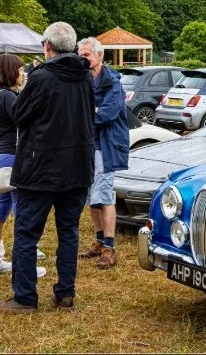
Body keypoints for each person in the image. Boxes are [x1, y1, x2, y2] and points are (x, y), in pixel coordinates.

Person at [0, 22, 95, 313]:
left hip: (41, 168)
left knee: (26, 233)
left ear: (47, 46)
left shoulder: (42, 78)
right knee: (68, 231)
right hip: (77, 166)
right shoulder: (85, 76)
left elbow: (20, 115)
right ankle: (65, 293)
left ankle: (25, 297)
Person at [0, 54, 46, 279]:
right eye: (20, 70)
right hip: (13, 156)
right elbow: (26, 121)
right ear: (11, 72)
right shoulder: (9, 97)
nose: (23, 73)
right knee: (23, 209)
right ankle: (25, 262)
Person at [77, 37, 129, 270]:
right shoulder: (82, 79)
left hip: (106, 145)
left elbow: (106, 114)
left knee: (105, 194)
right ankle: (99, 241)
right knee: (91, 195)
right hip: (87, 144)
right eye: (81, 54)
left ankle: (110, 247)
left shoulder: (113, 83)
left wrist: (89, 113)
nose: (83, 58)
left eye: (87, 54)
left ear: (99, 56)